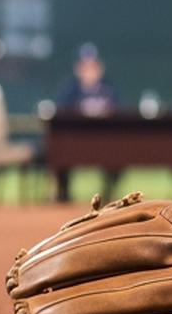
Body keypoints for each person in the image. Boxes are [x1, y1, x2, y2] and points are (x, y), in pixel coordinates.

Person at [52, 42, 122, 202]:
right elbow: (61, 114)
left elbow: (118, 112)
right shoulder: (70, 89)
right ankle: (63, 194)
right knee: (59, 153)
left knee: (120, 154)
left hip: (104, 142)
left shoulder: (108, 87)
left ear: (100, 67)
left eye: (92, 65)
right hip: (75, 143)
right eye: (85, 66)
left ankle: (108, 194)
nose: (89, 70)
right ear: (78, 68)